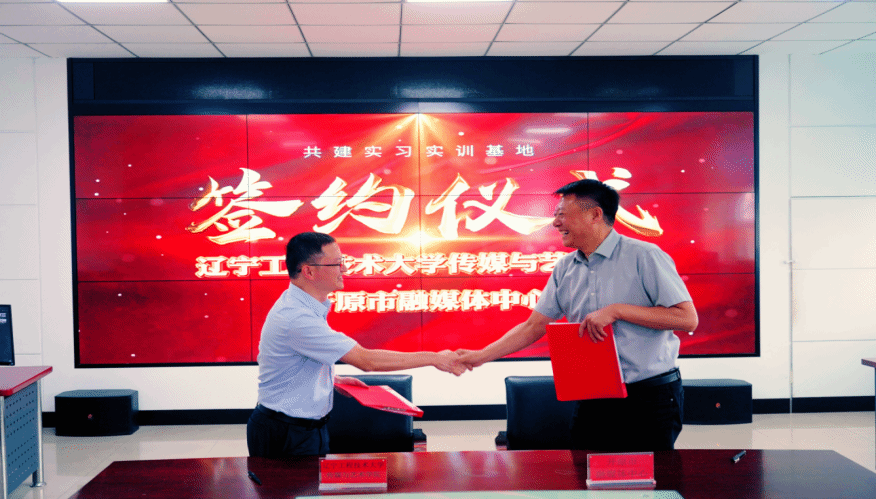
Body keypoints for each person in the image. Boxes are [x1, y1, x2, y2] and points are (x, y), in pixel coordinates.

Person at [457, 179, 698, 452]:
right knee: (586, 471)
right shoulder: (565, 267)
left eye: (562, 214)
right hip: (592, 395)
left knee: (649, 475)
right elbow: (533, 326)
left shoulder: (644, 255)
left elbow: (686, 318)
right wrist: (480, 356)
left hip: (649, 396)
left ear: (595, 214)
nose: (555, 223)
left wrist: (617, 310)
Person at [247, 231, 464, 458]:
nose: (344, 269)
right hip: (285, 434)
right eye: (336, 263)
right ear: (309, 271)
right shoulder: (296, 317)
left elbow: (295, 363)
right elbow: (366, 360)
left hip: (307, 429)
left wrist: (333, 380)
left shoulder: (305, 306)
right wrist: (435, 358)